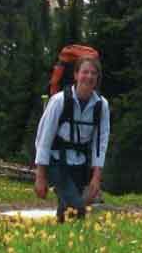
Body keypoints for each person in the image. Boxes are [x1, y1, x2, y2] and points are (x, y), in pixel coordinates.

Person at [33, 56, 110, 222]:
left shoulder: (101, 105)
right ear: (76, 75)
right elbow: (44, 138)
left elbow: (100, 142)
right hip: (56, 161)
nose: (89, 77)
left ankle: (59, 235)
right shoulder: (59, 101)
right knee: (77, 208)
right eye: (85, 72)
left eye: (93, 73)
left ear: (97, 78)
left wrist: (96, 176)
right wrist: (40, 176)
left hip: (80, 164)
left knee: (65, 211)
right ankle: (79, 235)